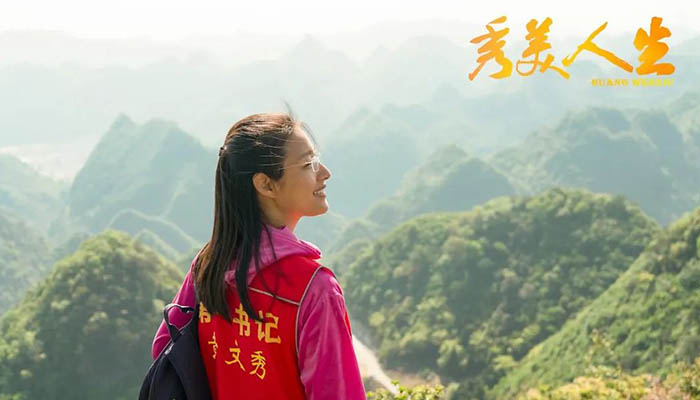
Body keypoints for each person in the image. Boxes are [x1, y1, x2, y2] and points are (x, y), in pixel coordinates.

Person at [150, 111, 366, 399]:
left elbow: (164, 349)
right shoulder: (314, 289)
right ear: (266, 184)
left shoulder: (209, 264)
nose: (324, 172)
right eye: (308, 164)